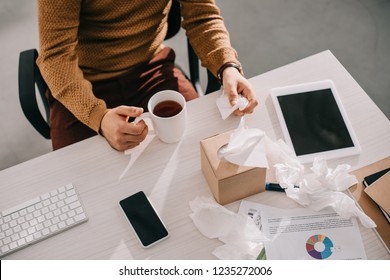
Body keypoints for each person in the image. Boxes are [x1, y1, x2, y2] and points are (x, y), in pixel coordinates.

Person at [37, 0, 258, 151]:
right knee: (78, 185)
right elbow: (56, 55)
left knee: (202, 147)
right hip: (83, 81)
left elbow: (202, 16)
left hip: (151, 67)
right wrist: (99, 117)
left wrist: (227, 65)